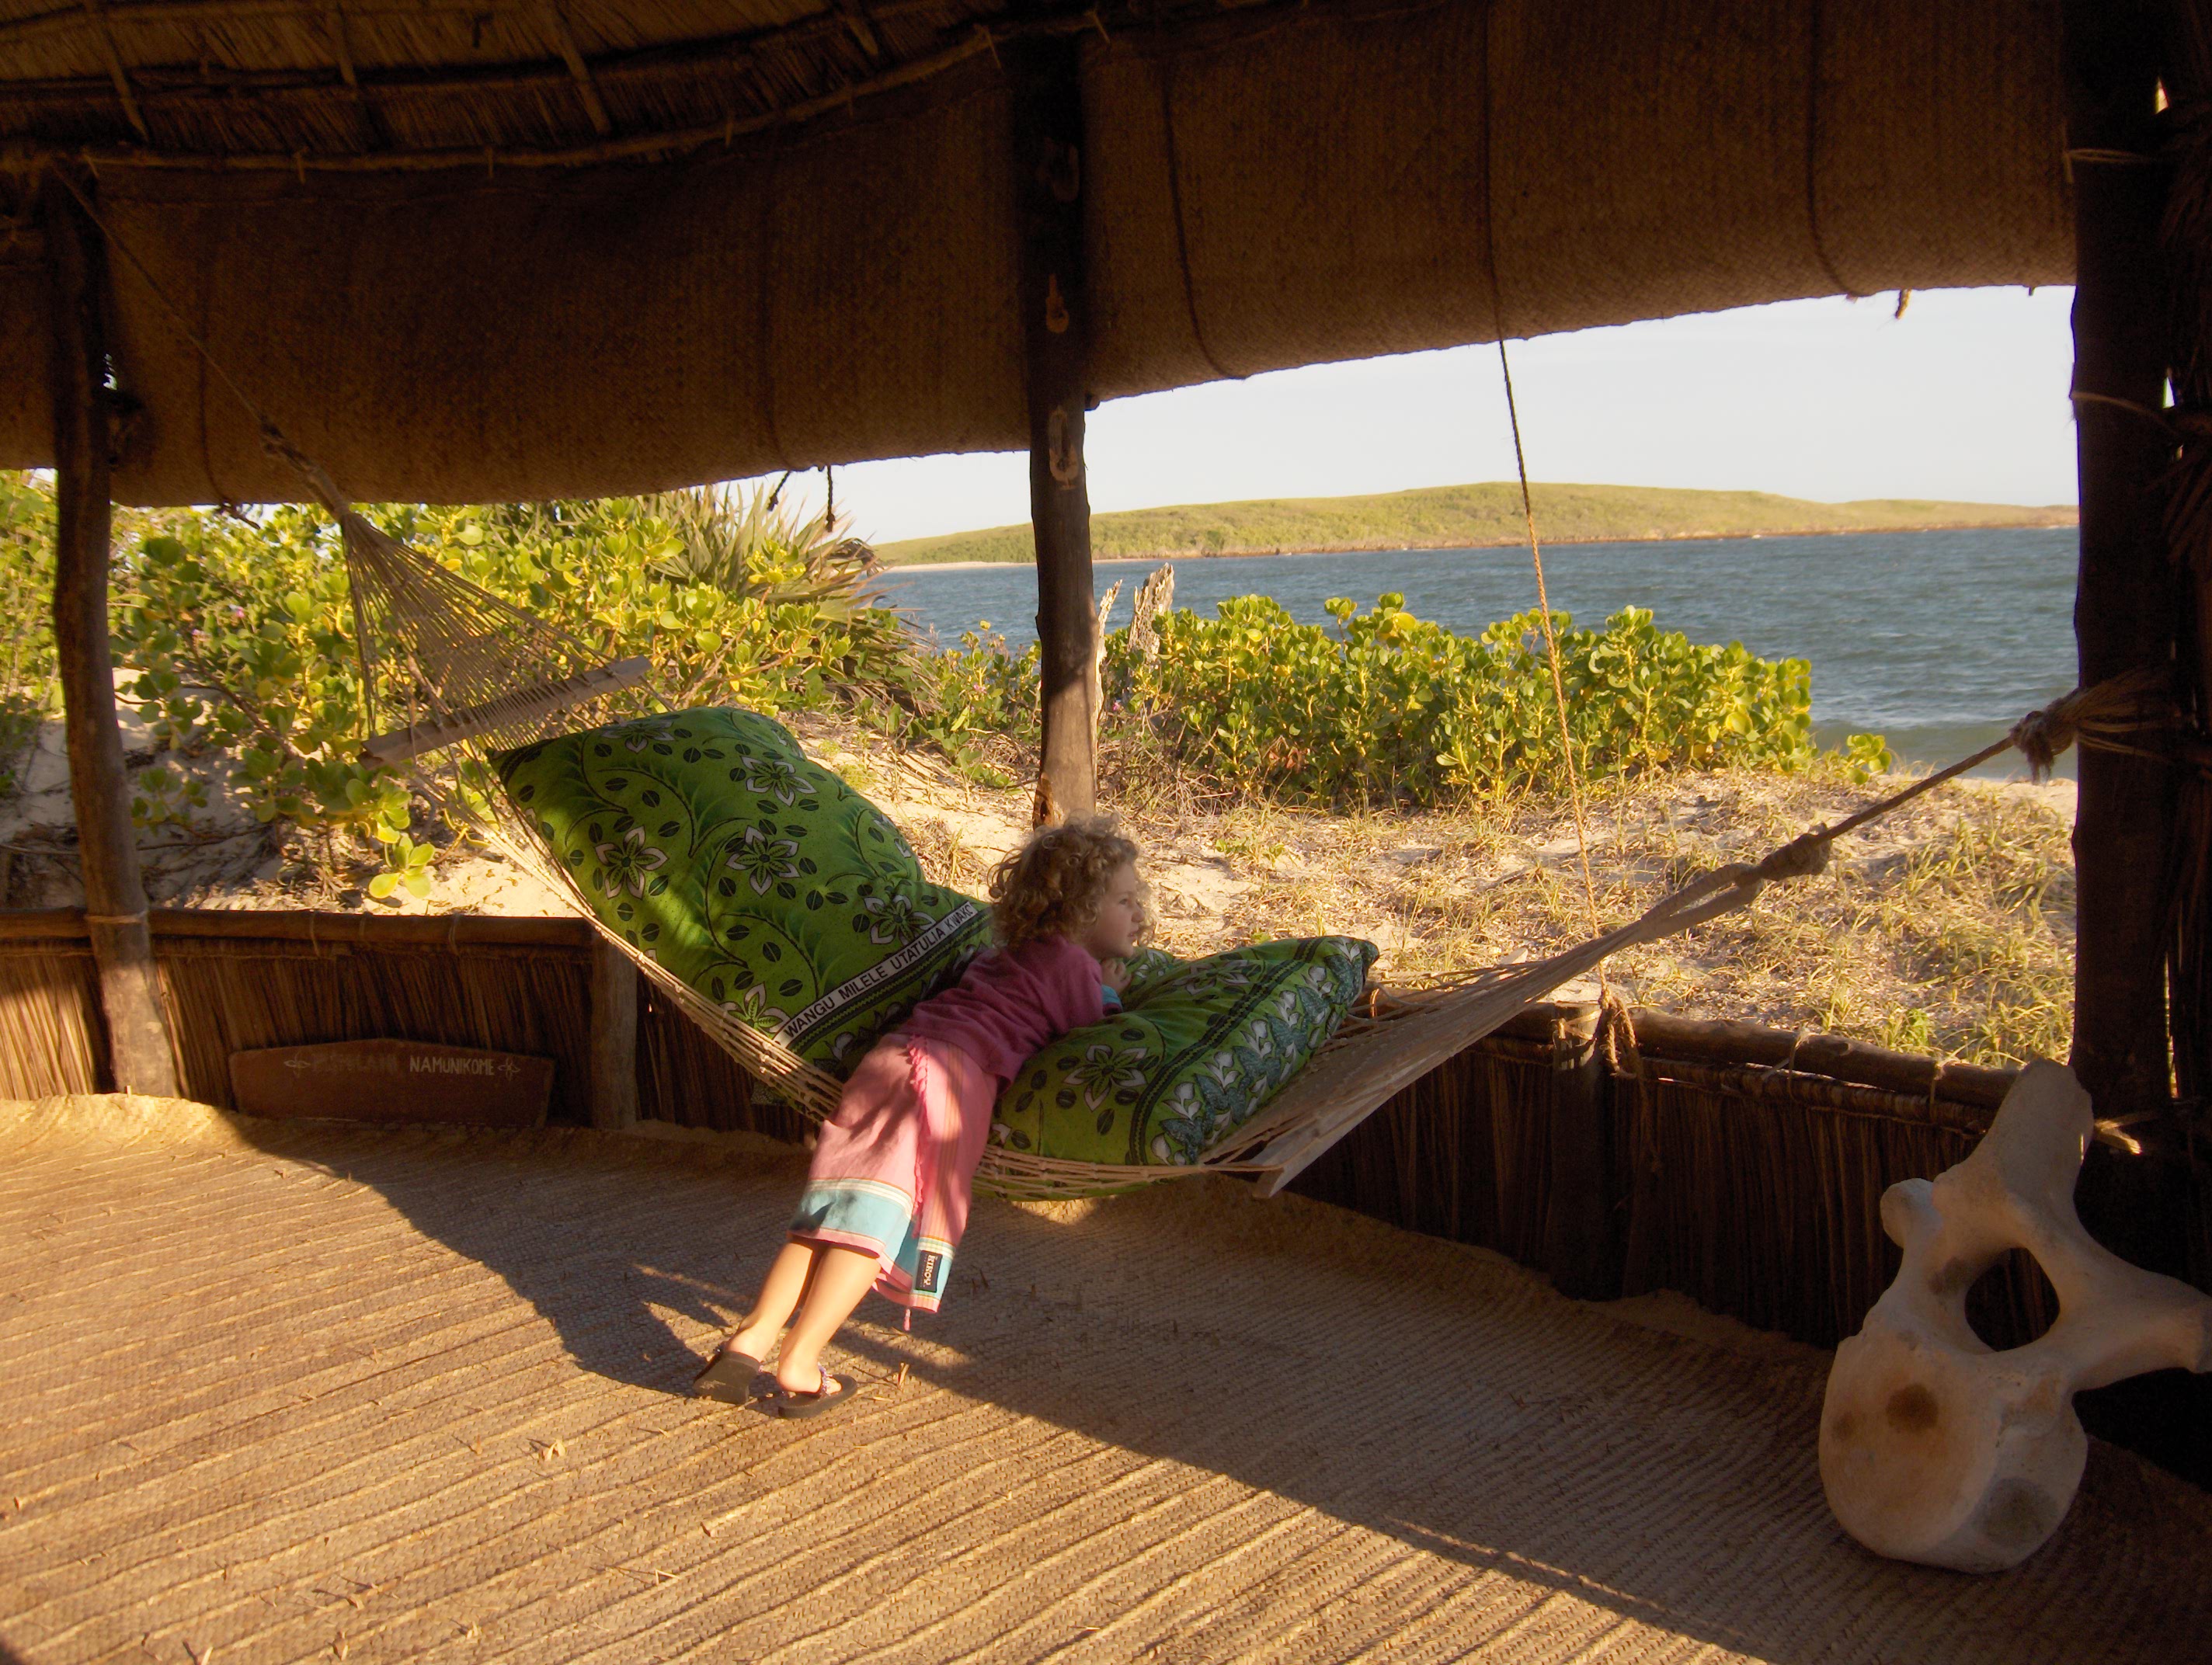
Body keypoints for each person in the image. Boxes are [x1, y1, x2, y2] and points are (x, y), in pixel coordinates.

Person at [692, 814, 1149, 1416]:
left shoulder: (1002, 957)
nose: (1139, 911)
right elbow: (1092, 1035)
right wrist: (1111, 987)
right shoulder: (1071, 967)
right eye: (1124, 899)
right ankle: (800, 1362)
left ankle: (750, 1338)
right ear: (1081, 912)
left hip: (891, 1061)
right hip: (943, 1081)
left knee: (829, 1212)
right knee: (873, 1225)